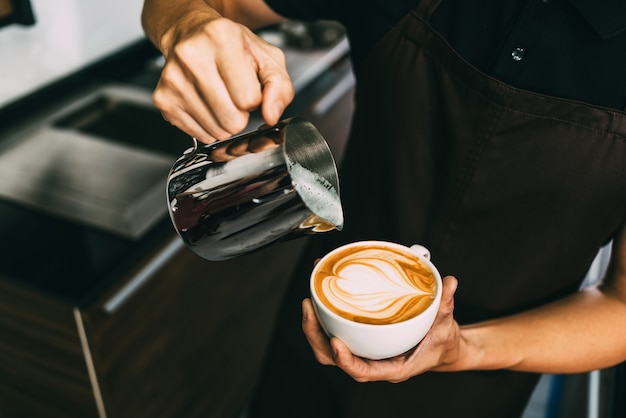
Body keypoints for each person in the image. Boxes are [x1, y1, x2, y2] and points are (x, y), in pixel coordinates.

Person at [141, 0, 626, 416]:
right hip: (314, 348)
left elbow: (620, 306)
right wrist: (186, 24)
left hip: (481, 385)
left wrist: (465, 349)